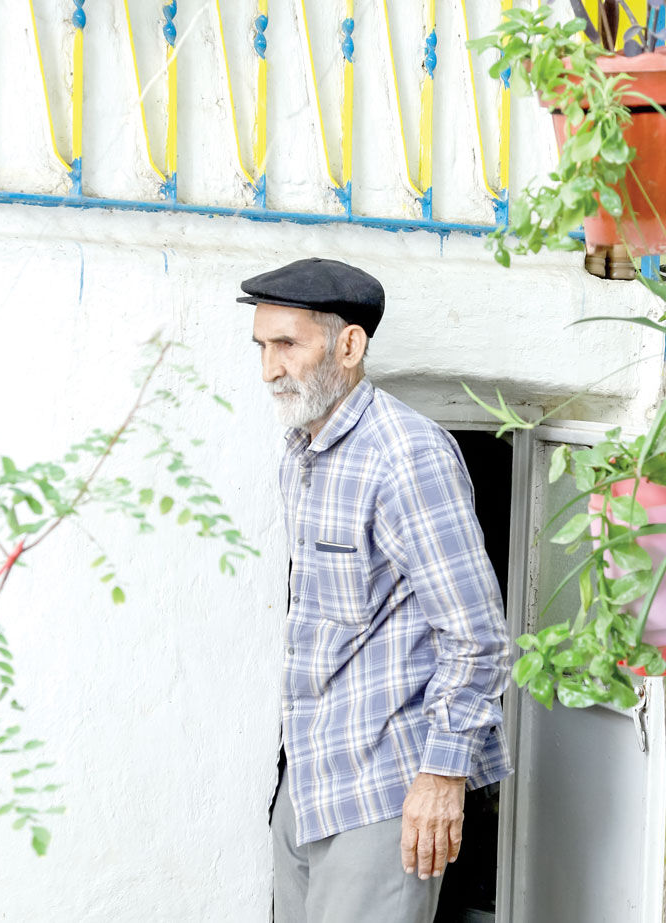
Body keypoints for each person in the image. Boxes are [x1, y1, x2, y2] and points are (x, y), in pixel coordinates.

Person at [239, 258, 512, 922]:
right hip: (310, 779)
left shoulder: (406, 455)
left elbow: (477, 638)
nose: (269, 368)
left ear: (349, 346)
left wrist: (442, 776)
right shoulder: (300, 451)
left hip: (386, 789)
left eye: (287, 344)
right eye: (262, 346)